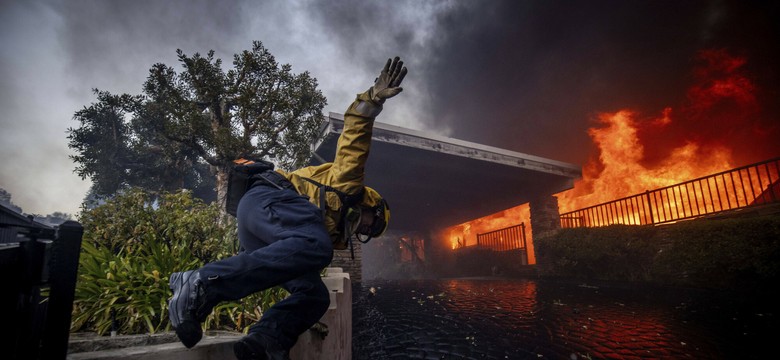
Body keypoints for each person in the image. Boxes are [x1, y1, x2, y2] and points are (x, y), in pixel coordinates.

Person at [168, 56, 407, 360]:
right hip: (267, 199)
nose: (368, 229)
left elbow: (288, 258)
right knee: (317, 247)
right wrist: (373, 98)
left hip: (261, 228)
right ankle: (201, 283)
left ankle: (265, 340)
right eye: (374, 223)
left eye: (371, 232)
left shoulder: (328, 231)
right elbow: (355, 133)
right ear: (371, 205)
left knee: (314, 295)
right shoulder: (349, 185)